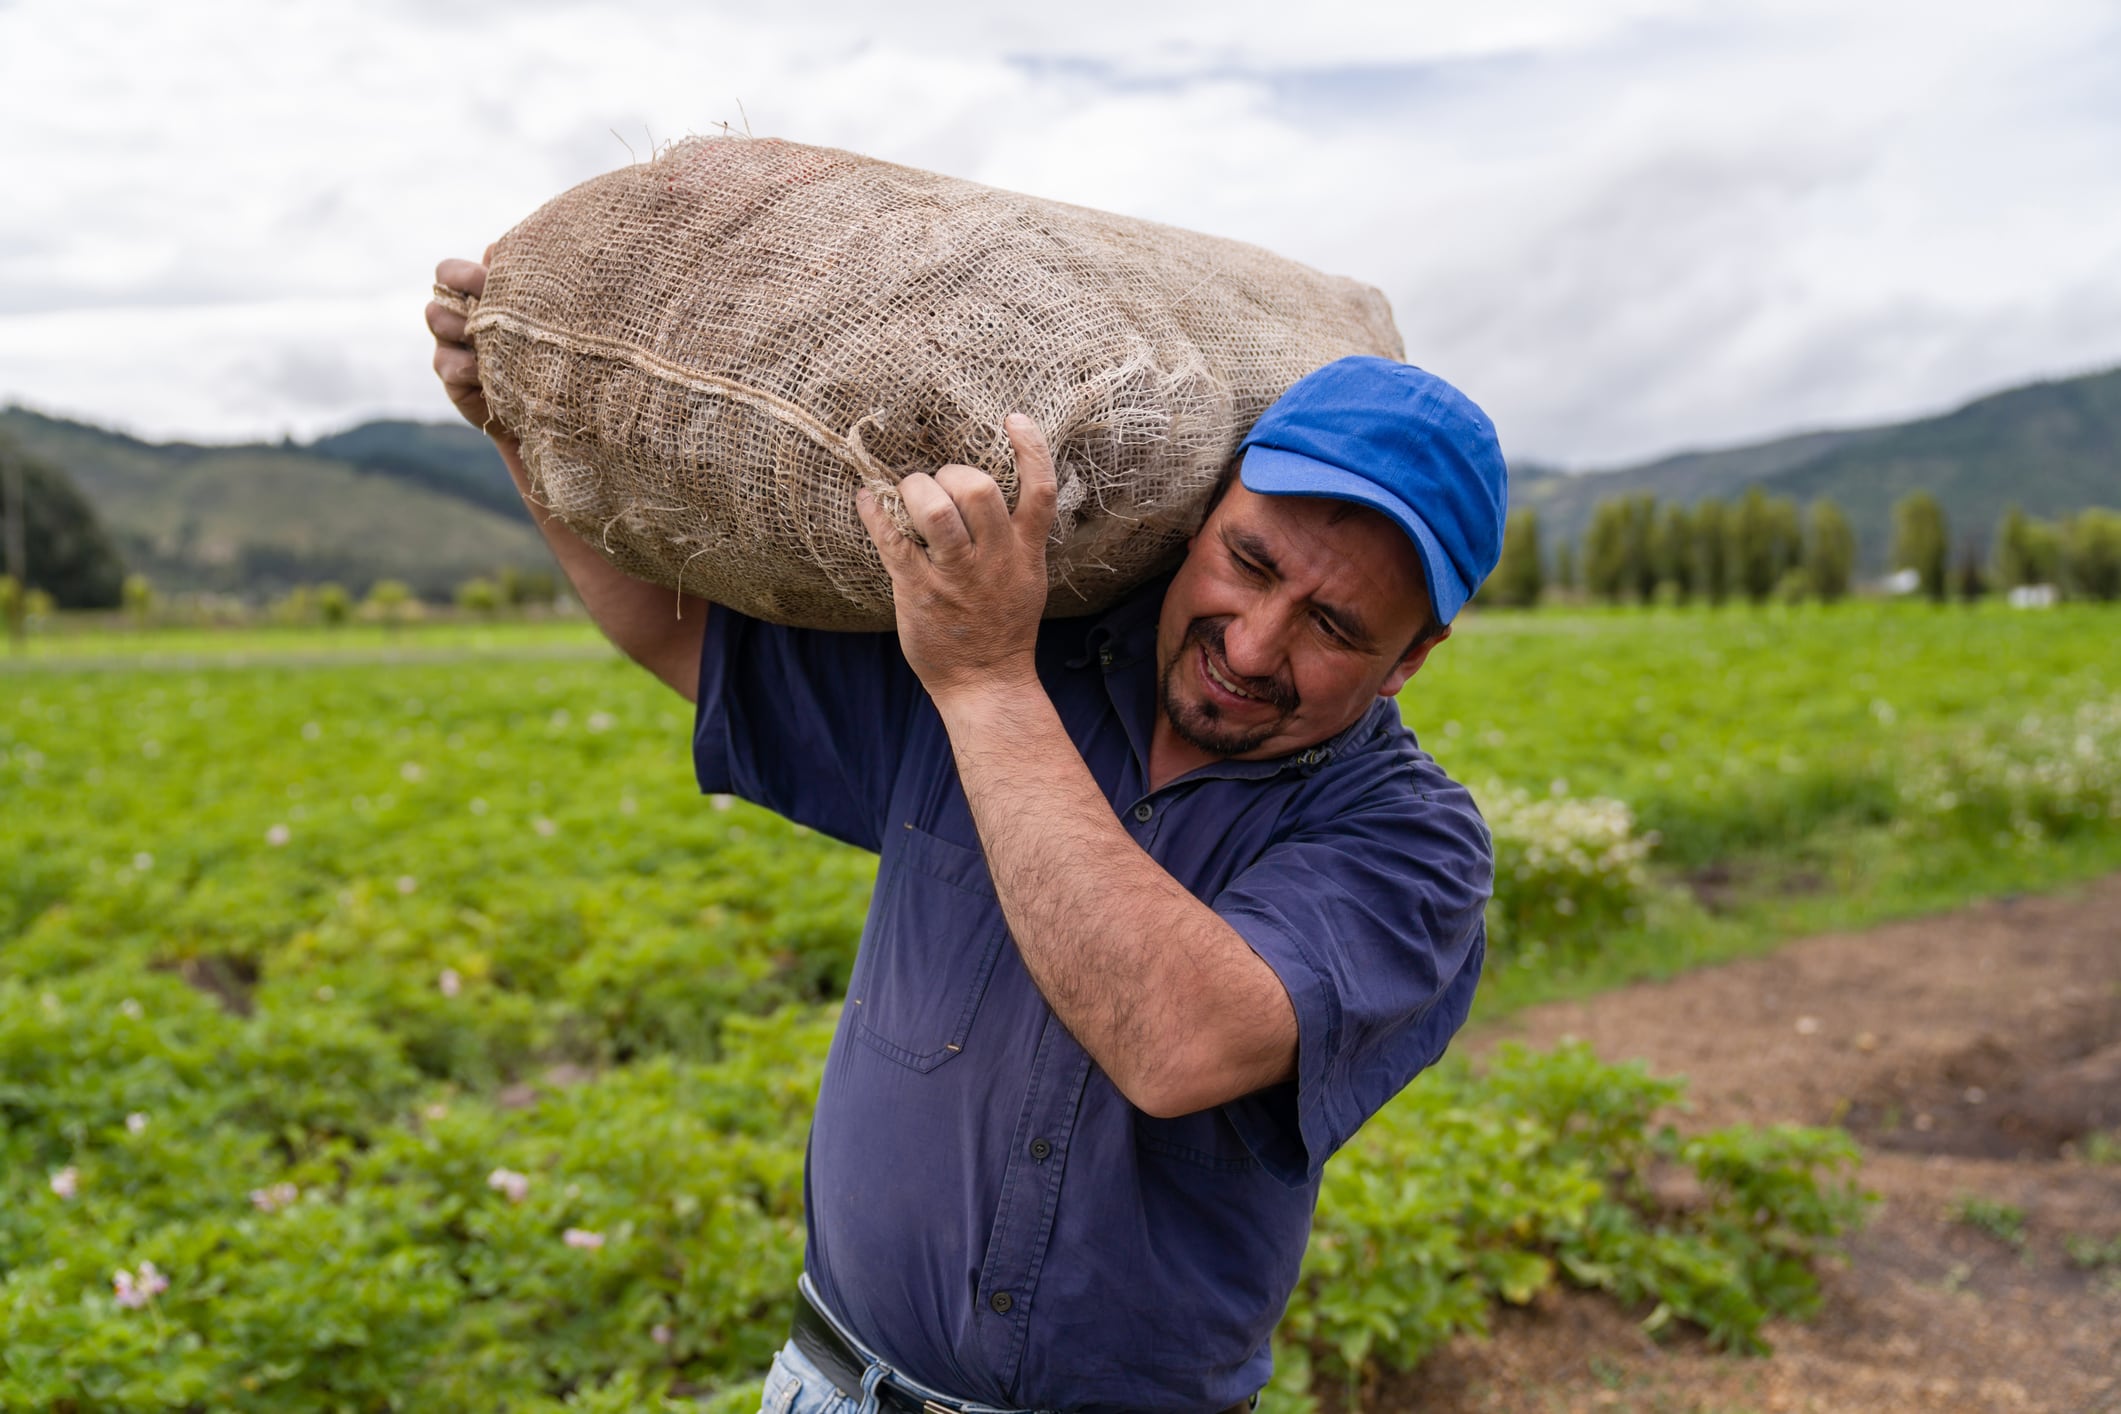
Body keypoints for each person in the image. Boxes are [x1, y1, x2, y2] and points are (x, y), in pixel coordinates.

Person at [429, 254, 1506, 1414]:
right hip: (832, 1386)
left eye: (1333, 626)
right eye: (1247, 564)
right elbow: (680, 633)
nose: (1251, 645)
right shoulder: (1024, 646)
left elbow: (1177, 1040)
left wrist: (988, 686)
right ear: (1200, 520)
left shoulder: (1413, 843)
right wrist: (519, 424)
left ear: (1411, 658)